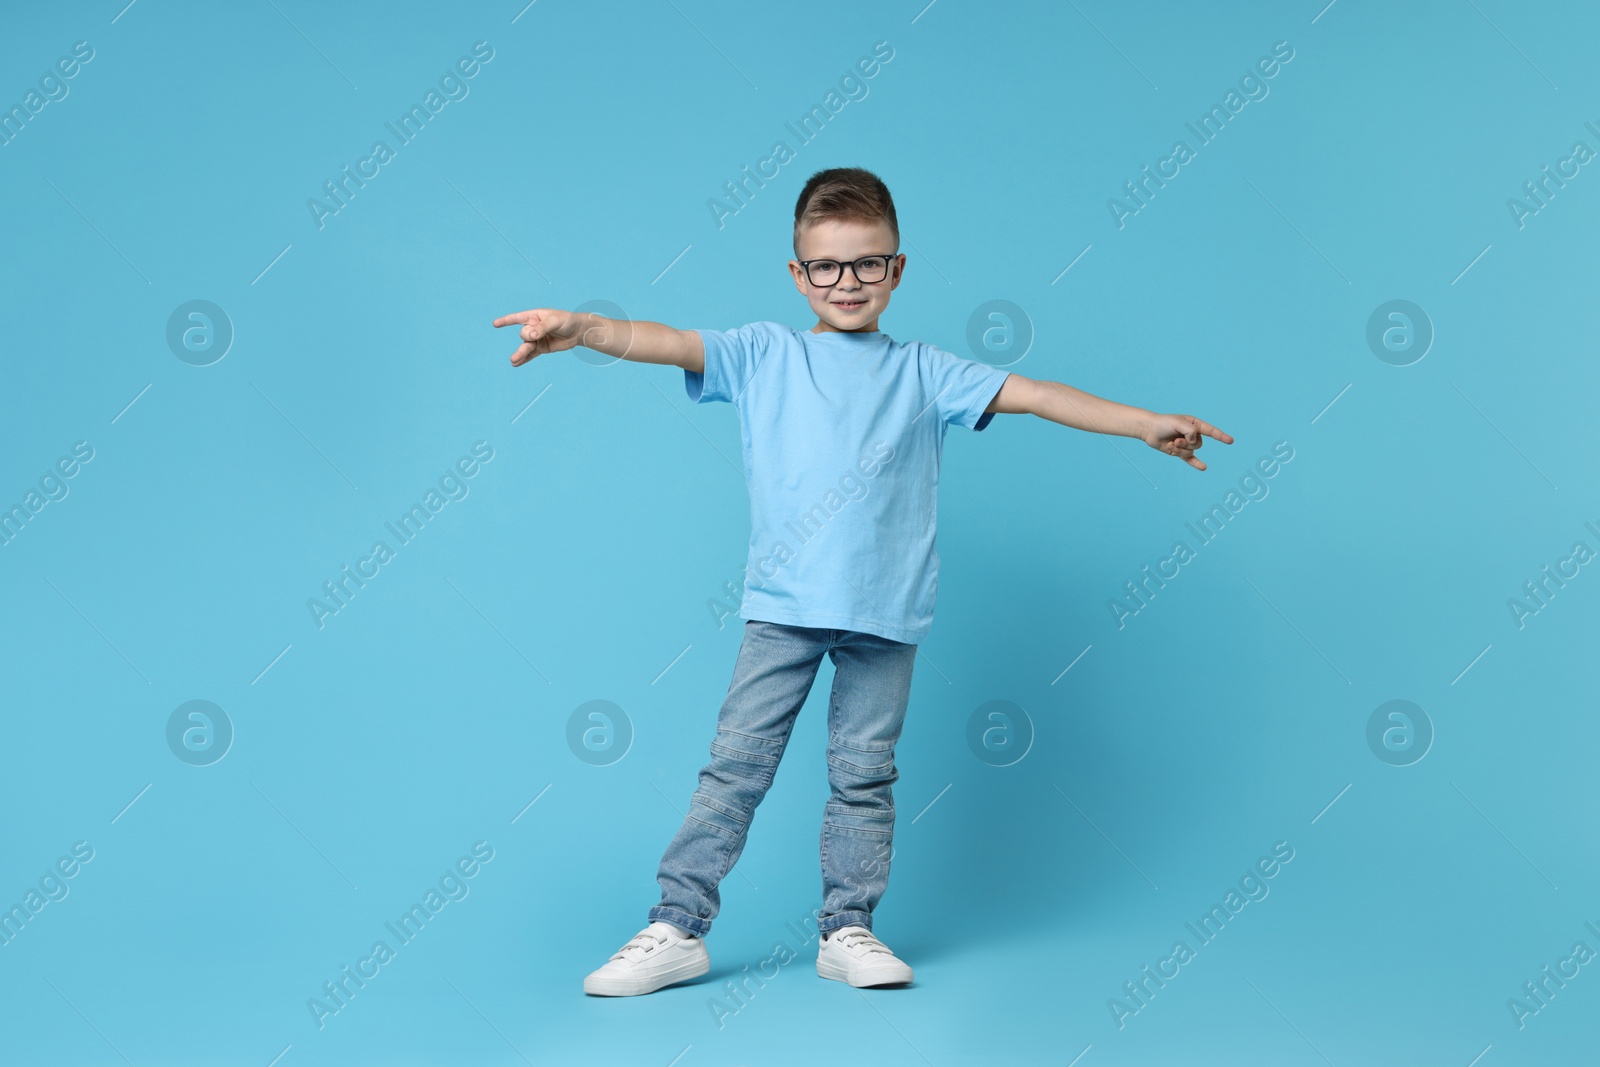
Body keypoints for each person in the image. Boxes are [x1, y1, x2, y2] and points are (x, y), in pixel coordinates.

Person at [492, 167, 1231, 997]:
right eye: (828, 267)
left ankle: (849, 927)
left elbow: (1037, 394)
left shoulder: (926, 370)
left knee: (865, 775)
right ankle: (677, 923)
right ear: (797, 274)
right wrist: (585, 327)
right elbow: (668, 340)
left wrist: (1143, 424)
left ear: (898, 269)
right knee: (736, 767)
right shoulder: (763, 354)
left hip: (886, 618)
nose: (848, 282)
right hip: (783, 612)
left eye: (868, 264)